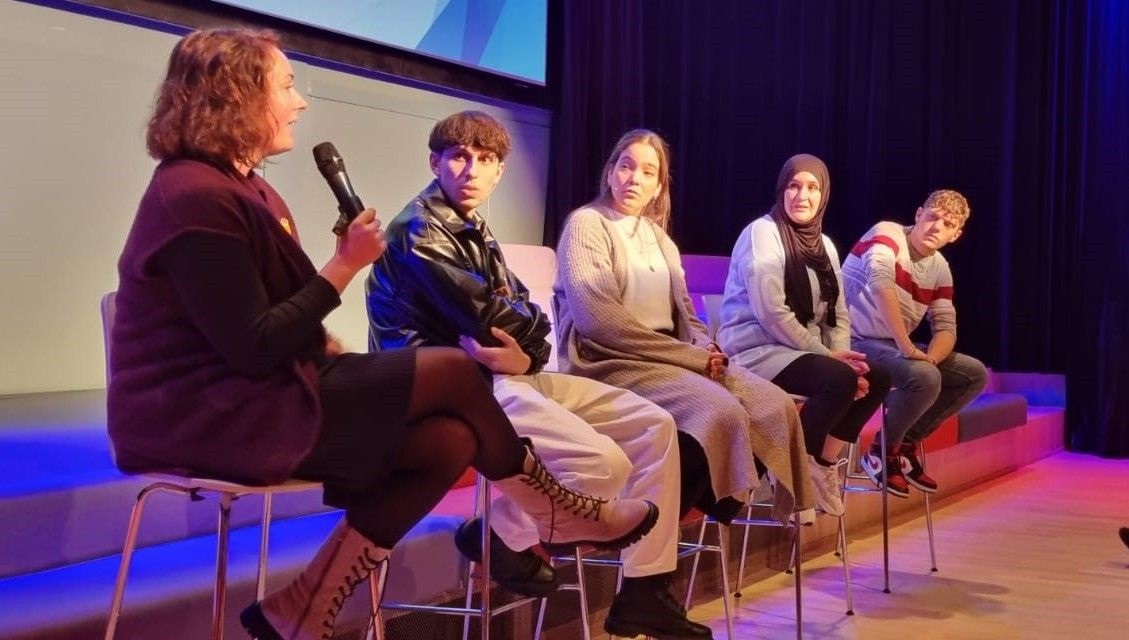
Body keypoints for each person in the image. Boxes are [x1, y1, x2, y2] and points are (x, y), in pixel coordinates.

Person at [107, 30, 656, 640]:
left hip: (260, 387)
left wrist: (323, 337)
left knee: (448, 441)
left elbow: (273, 319)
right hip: (206, 411)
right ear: (239, 96)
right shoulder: (193, 196)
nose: (300, 102)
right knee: (452, 369)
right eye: (287, 86)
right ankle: (549, 506)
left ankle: (302, 608)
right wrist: (345, 265)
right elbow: (251, 343)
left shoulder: (246, 188)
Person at [366, 112, 698, 638]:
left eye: (486, 159)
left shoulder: (473, 225)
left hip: (504, 374)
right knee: (604, 465)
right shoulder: (419, 229)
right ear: (435, 162)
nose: (471, 169)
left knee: (654, 427)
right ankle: (499, 533)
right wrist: (522, 336)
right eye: (458, 156)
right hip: (447, 386)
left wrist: (525, 352)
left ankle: (644, 587)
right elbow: (488, 317)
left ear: (499, 171)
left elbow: (528, 311)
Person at [553, 128, 814, 636]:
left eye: (648, 171)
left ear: (659, 186)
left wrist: (705, 348)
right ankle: (649, 582)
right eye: (626, 165)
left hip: (671, 358)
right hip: (608, 359)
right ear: (609, 171)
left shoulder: (660, 240)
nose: (634, 177)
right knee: (717, 412)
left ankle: (686, 532)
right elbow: (597, 319)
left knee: (774, 405)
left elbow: (689, 316)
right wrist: (688, 358)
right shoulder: (586, 224)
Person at [716, 154, 891, 517]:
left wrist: (846, 358)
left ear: (823, 194)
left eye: (812, 187)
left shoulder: (825, 244)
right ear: (782, 189)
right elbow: (770, 311)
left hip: (802, 352)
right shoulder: (762, 233)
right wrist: (829, 358)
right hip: (757, 349)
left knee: (877, 377)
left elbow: (838, 313)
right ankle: (794, 475)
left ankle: (820, 466)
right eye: (794, 186)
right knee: (838, 379)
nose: (802, 196)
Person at [841, 189, 989, 497]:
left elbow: (946, 328)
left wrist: (930, 357)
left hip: (893, 345)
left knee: (973, 374)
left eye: (947, 224)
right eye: (933, 217)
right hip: (853, 339)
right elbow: (881, 286)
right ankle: (880, 452)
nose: (936, 227)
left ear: (956, 235)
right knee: (923, 376)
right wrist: (908, 349)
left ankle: (904, 443)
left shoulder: (940, 268)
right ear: (919, 214)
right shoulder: (887, 234)